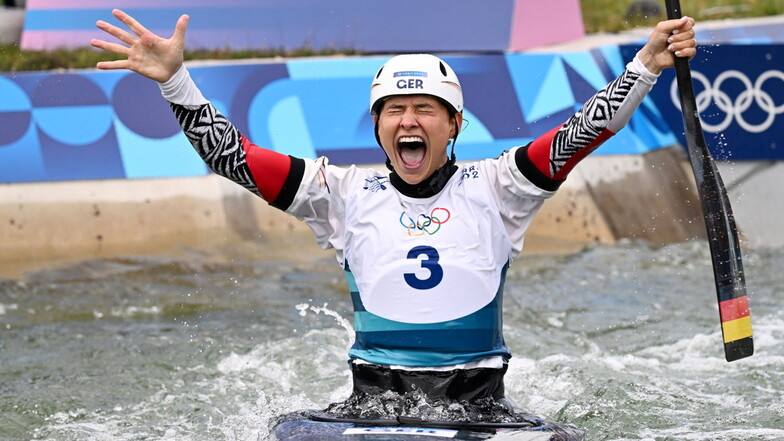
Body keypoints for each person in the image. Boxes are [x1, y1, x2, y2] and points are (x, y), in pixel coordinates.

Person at [91, 8, 697, 428]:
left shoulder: (502, 186)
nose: (409, 122)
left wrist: (645, 63)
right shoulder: (339, 192)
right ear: (379, 127)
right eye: (395, 111)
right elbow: (235, 158)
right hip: (369, 407)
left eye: (426, 110)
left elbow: (586, 130)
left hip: (480, 411)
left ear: (454, 124)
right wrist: (176, 81)